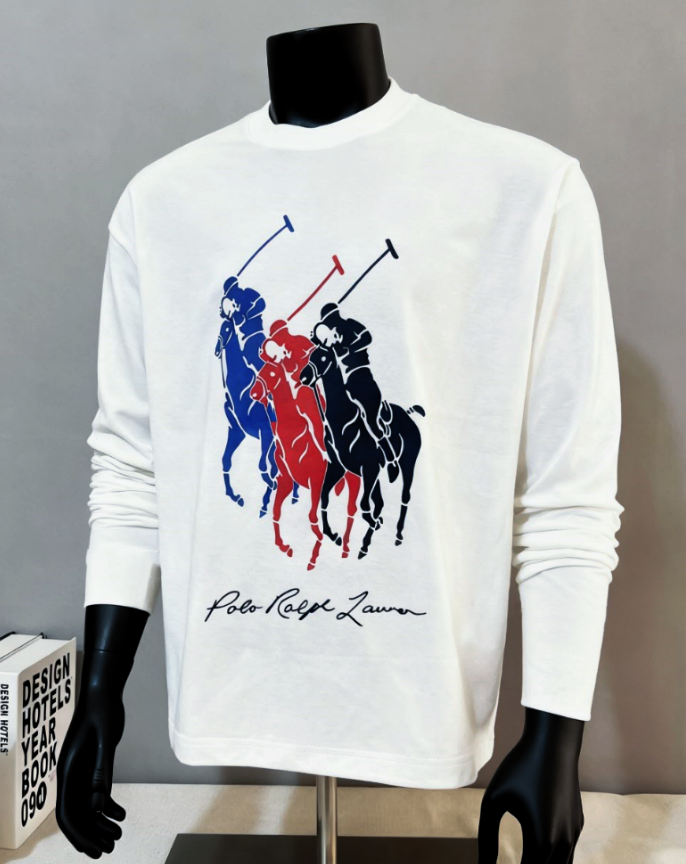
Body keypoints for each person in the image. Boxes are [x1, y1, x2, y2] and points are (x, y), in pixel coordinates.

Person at [313, 302, 398, 476]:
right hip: (346, 383)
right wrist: (316, 339)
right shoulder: (333, 338)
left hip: (361, 375)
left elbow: (367, 337)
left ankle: (391, 458)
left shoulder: (350, 325)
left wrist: (350, 349)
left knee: (371, 422)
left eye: (328, 322)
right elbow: (326, 352)